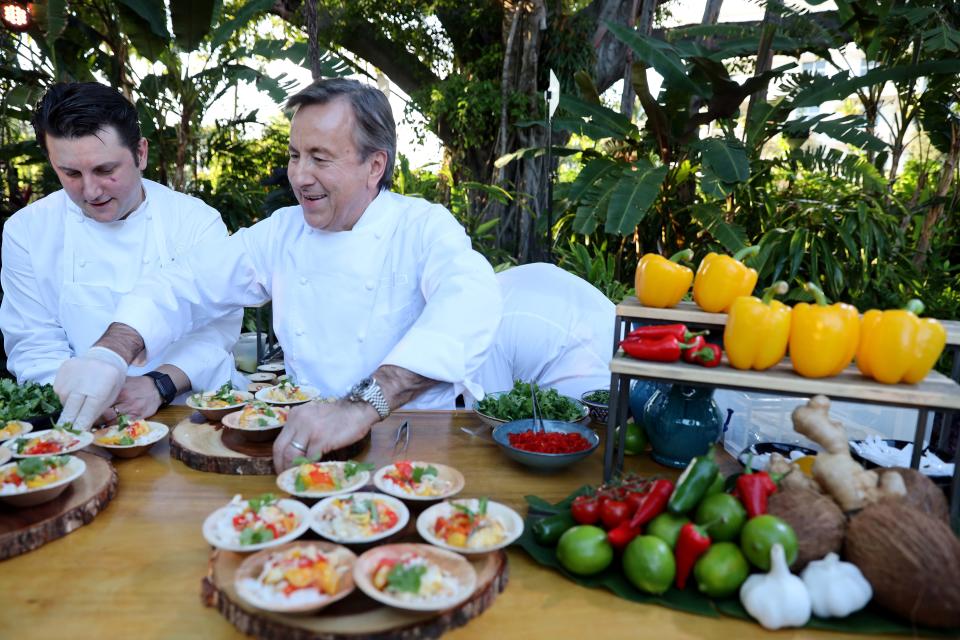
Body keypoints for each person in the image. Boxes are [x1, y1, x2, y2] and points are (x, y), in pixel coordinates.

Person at [52, 78, 502, 471]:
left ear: (375, 166)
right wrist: (109, 353)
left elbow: (469, 302)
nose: (299, 176)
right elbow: (183, 284)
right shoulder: (282, 233)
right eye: (294, 155)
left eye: (320, 158)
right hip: (305, 442)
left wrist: (364, 406)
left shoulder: (421, 227)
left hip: (416, 439)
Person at [0, 82, 242, 423]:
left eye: (105, 170)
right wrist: (85, 399)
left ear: (140, 154)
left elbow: (218, 329)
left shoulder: (194, 221)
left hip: (192, 407)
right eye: (70, 173)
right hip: (84, 417)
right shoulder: (26, 232)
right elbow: (33, 343)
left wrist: (158, 385)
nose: (90, 190)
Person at [466, 263, 614, 402]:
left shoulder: (481, 329)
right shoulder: (498, 286)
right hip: (627, 362)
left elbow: (490, 411)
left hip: (596, 392)